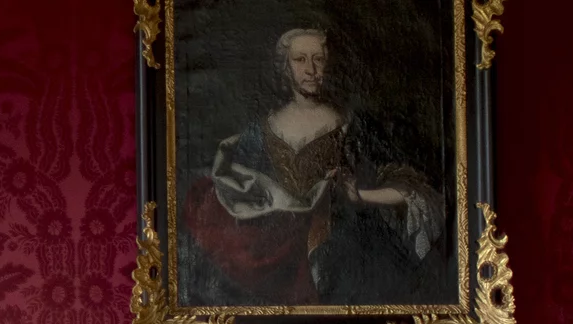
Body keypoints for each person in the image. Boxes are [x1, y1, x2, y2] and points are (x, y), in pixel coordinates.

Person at [182, 27, 446, 306]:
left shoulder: (353, 126)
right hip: (279, 255)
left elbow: (409, 187)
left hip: (346, 251)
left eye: (318, 59)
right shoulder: (259, 134)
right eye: (300, 60)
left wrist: (360, 196)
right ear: (285, 68)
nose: (310, 69)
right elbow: (237, 192)